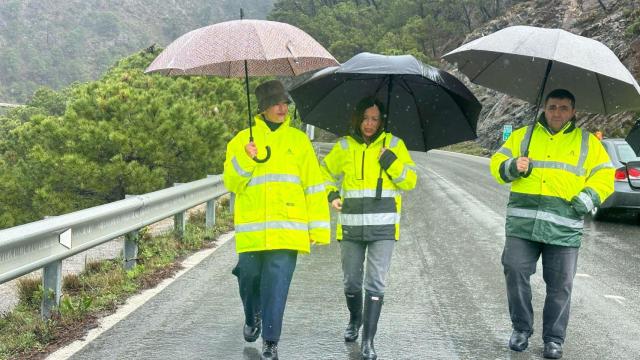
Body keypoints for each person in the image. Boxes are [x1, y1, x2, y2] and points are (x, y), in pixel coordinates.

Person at [490, 89, 614, 359]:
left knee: (560, 285)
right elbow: (497, 163)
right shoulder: (523, 135)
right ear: (544, 108)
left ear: (573, 112)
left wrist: (588, 196)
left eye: (563, 108)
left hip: (564, 226)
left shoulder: (588, 143)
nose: (557, 113)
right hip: (523, 225)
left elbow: (605, 176)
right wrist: (513, 165)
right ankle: (521, 328)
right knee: (514, 270)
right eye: (552, 107)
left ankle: (554, 339)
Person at [223, 80, 330, 360]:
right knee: (247, 275)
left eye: (285, 102)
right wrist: (247, 159)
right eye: (276, 103)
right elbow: (232, 182)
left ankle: (271, 340)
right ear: (262, 107)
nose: (282, 108)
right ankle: (252, 316)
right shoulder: (242, 140)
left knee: (276, 284)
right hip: (252, 230)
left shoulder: (298, 141)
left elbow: (313, 186)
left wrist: (318, 227)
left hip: (288, 228)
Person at [321, 97, 417, 360]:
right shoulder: (344, 145)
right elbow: (325, 172)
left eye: (375, 119)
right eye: (365, 118)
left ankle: (369, 341)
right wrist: (332, 194)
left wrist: (391, 162)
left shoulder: (394, 145)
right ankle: (355, 319)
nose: (369, 124)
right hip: (351, 225)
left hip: (383, 229)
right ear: (357, 118)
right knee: (352, 281)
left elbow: (410, 181)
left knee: (375, 282)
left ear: (381, 120)